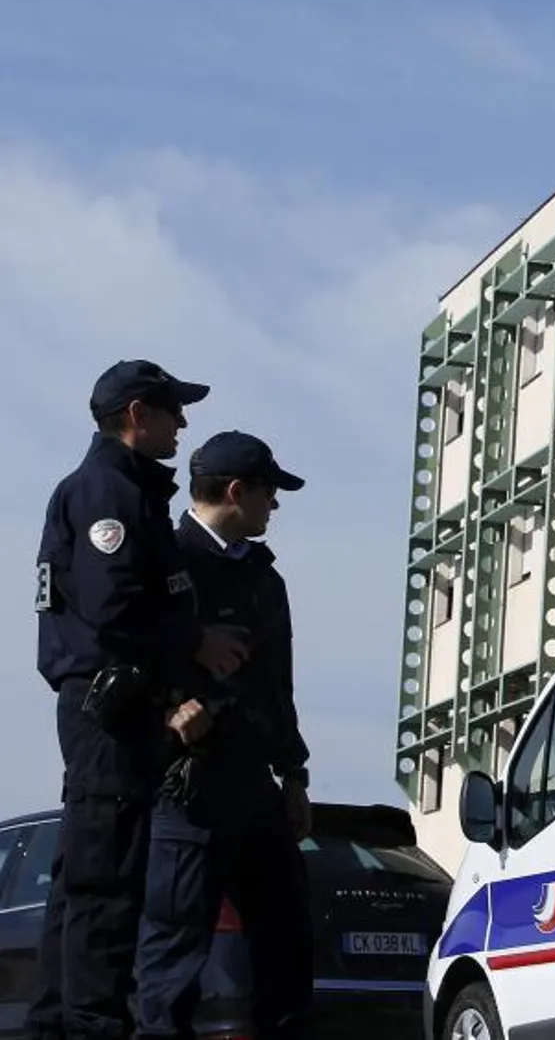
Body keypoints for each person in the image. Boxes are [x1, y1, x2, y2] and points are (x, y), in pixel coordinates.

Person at [31, 360, 249, 1040]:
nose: (183, 424)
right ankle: (89, 1026)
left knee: (82, 881)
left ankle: (57, 1025)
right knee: (104, 883)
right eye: (172, 411)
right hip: (110, 710)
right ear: (136, 415)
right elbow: (112, 605)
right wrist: (196, 639)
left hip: (118, 705)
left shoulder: (126, 492)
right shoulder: (106, 491)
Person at [132, 430, 315, 1040]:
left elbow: (278, 686)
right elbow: (118, 645)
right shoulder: (165, 559)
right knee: (174, 956)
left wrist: (294, 774)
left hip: (255, 786)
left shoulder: (266, 578)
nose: (276, 507)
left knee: (287, 948)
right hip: (190, 784)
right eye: (269, 493)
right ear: (237, 492)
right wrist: (167, 705)